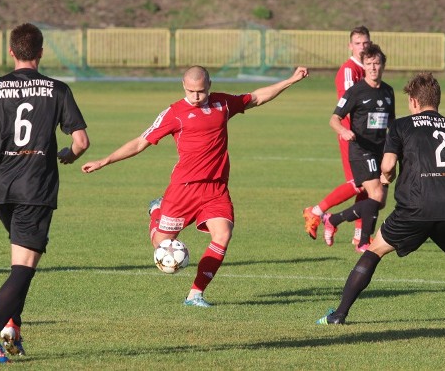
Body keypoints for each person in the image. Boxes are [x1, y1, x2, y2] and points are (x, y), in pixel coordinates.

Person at [82, 65, 309, 307]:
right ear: (183, 86)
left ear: (209, 85)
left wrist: (291, 80)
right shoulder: (174, 113)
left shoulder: (222, 104)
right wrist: (104, 160)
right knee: (162, 247)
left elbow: (257, 97)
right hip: (184, 189)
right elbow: (140, 142)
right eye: (191, 91)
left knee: (223, 234)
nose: (196, 96)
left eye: (200, 91)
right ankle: (157, 211)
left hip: (215, 189)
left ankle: (195, 294)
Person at [0, 23, 90, 363]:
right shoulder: (57, 90)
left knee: (20, 260)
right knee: (25, 266)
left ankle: (13, 325)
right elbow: (81, 141)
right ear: (41, 52)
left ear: (11, 52)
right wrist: (70, 154)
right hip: (35, 185)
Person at [317, 72, 445, 325]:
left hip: (416, 206)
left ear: (414, 102)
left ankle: (338, 315)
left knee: (374, 250)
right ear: (436, 100)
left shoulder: (401, 125)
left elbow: (387, 165)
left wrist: (387, 177)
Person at [320, 44, 395, 252]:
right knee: (376, 195)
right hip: (361, 150)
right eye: (369, 64)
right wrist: (343, 131)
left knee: (379, 202)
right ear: (364, 66)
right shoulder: (356, 91)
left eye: (377, 63)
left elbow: (392, 123)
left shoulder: (388, 92)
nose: (373, 68)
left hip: (381, 151)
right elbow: (334, 119)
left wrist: (398, 147)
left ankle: (333, 219)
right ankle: (363, 242)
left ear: (383, 65)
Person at [304, 26, 371, 250]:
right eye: (358, 43)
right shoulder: (349, 70)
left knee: (368, 185)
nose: (363, 46)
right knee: (358, 184)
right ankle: (316, 212)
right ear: (350, 46)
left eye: (365, 43)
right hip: (350, 134)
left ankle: (360, 235)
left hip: (366, 136)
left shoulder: (368, 69)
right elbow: (350, 105)